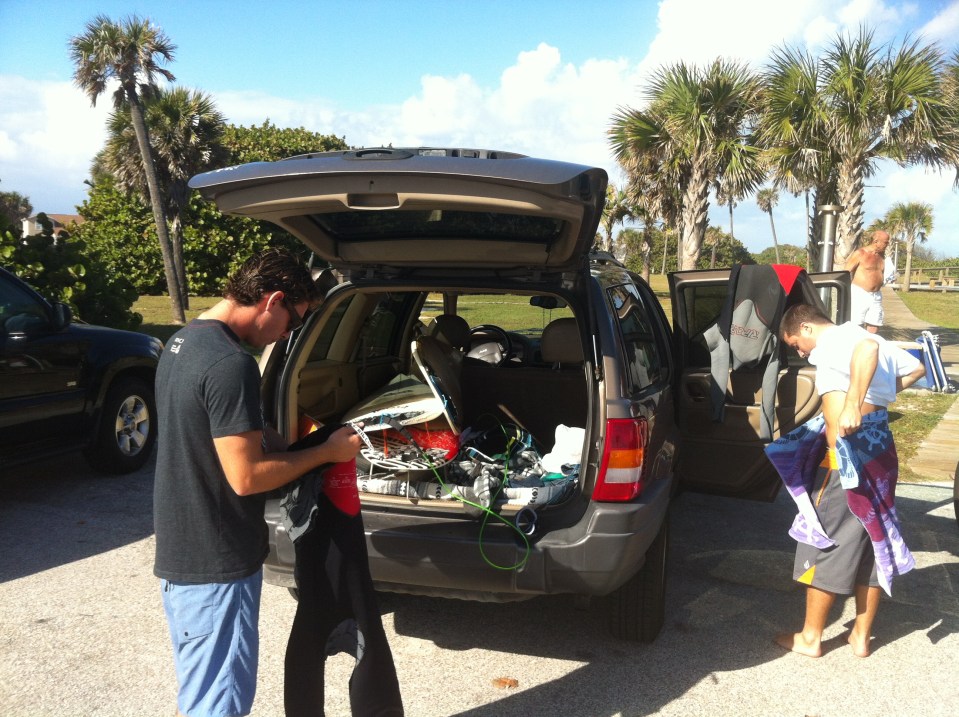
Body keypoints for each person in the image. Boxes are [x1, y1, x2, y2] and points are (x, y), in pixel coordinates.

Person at [153, 248, 363, 717]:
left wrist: (269, 436)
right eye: (292, 321)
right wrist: (325, 453)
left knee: (202, 691)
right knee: (220, 702)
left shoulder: (183, 343)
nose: (287, 334)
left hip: (184, 552)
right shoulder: (231, 363)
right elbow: (246, 478)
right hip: (217, 560)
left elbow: (205, 429)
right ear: (272, 300)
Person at [768, 303, 926, 658]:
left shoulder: (837, 341)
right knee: (872, 539)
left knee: (826, 539)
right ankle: (860, 635)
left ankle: (811, 637)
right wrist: (877, 395)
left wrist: (855, 403)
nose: (800, 352)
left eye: (795, 344)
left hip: (846, 462)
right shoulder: (864, 338)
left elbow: (866, 350)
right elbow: (916, 368)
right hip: (878, 454)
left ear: (806, 327)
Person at [845, 229, 892, 333]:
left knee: (874, 326)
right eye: (885, 242)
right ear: (876, 241)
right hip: (860, 293)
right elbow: (846, 272)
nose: (887, 245)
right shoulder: (860, 253)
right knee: (856, 326)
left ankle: (869, 343)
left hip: (876, 295)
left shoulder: (882, 256)